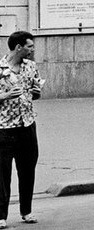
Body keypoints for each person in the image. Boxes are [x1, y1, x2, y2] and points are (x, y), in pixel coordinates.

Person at [0, 31, 42, 227]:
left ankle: (26, 211)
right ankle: (1, 215)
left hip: (27, 125)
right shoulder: (0, 68)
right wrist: (4, 95)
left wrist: (36, 93)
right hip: (4, 128)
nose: (32, 50)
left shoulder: (31, 66)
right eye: (30, 47)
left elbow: (35, 93)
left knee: (27, 170)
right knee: (2, 174)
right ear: (18, 47)